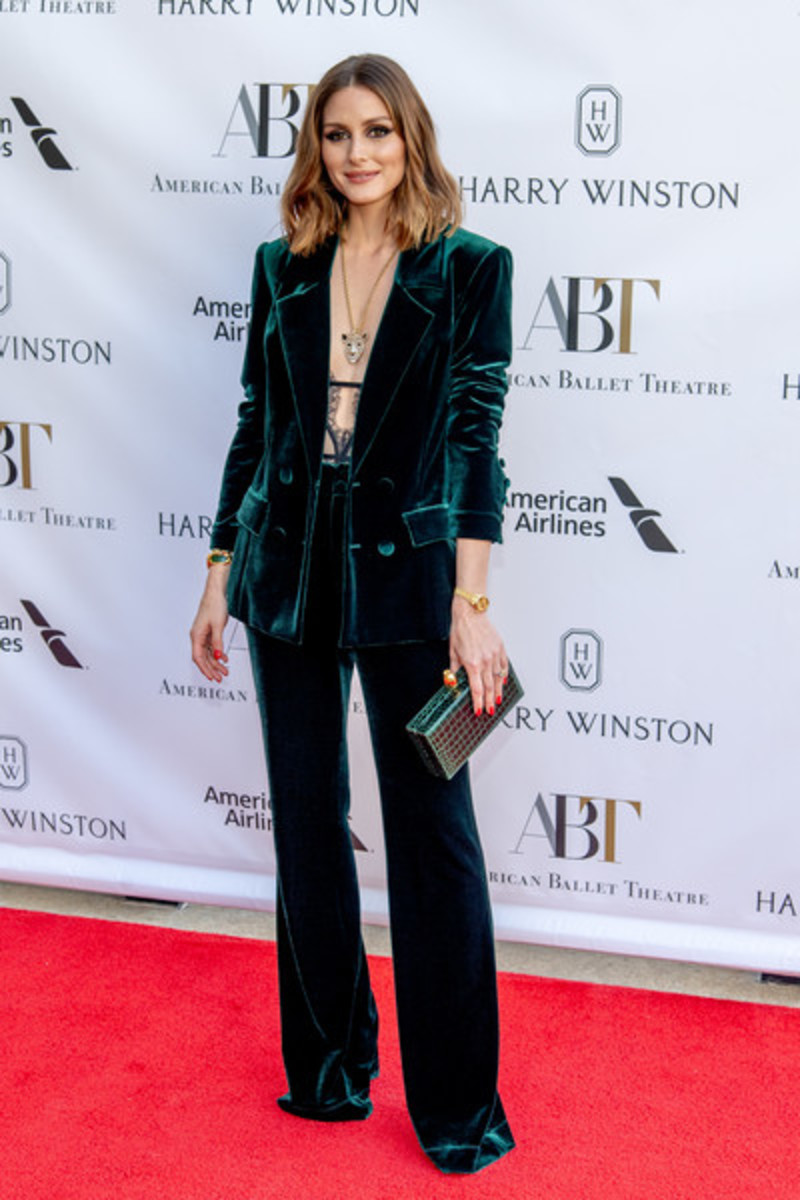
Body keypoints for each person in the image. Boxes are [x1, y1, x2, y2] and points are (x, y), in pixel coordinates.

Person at [190, 53, 515, 1175]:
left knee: (433, 838)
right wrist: (220, 567)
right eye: (336, 134)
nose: (357, 152)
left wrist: (471, 603)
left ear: (408, 138)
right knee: (306, 824)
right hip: (286, 568)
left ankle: (458, 1109)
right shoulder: (280, 264)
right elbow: (256, 425)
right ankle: (328, 1069)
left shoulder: (470, 267)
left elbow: (474, 440)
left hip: (411, 581)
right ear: (314, 148)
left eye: (376, 131)